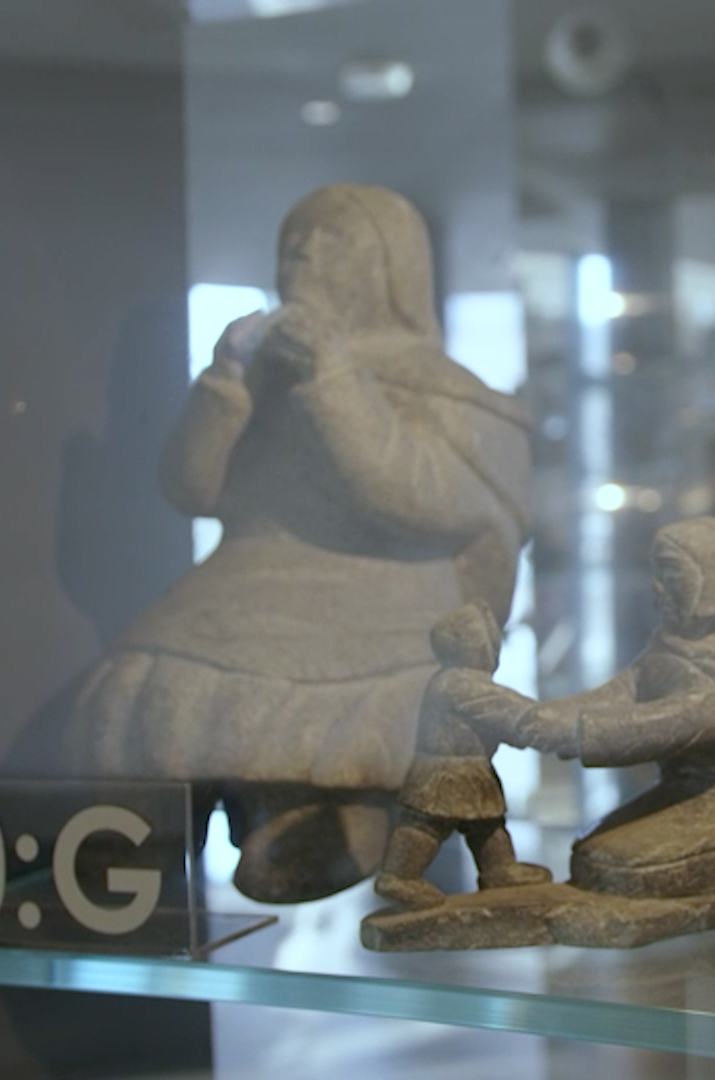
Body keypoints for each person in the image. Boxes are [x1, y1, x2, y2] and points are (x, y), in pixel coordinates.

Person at [68, 185, 530, 903]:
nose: (305, 254)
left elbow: (416, 499)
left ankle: (314, 818)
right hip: (243, 581)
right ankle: (157, 826)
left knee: (320, 713)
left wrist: (335, 379)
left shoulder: (440, 389)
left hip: (382, 593)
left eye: (332, 241)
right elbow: (192, 489)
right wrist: (225, 380)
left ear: (388, 270)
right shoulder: (261, 374)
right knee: (152, 677)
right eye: (295, 239)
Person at [522, 517, 715, 904]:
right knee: (590, 850)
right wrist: (527, 715)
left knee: (606, 861)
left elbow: (663, 725)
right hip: (686, 792)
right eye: (656, 573)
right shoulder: (672, 646)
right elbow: (617, 694)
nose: (657, 589)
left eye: (671, 573)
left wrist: (557, 728)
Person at [374, 602, 552, 910]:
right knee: (426, 826)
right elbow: (508, 713)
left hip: (469, 769)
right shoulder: (461, 685)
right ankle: (398, 875)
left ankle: (498, 869)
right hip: (447, 771)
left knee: (487, 824)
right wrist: (541, 725)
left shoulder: (455, 680)